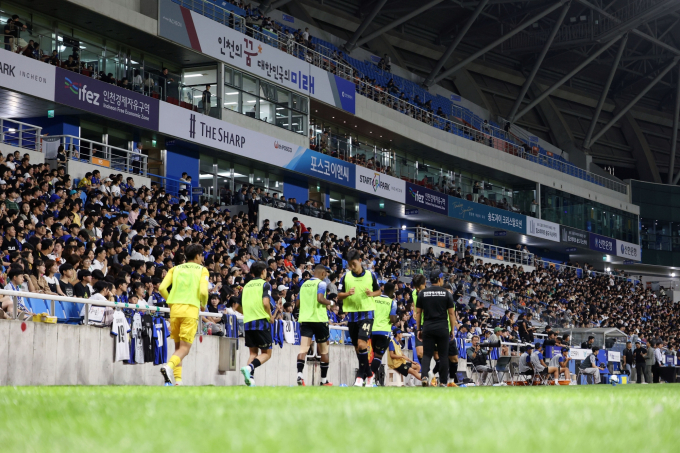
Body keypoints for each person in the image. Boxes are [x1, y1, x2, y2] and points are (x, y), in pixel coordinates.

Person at [158, 244, 209, 386]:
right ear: (198, 256)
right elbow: (204, 292)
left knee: (178, 348)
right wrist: (203, 304)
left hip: (175, 311)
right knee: (185, 349)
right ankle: (168, 367)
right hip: (190, 310)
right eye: (202, 255)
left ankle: (177, 382)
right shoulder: (202, 270)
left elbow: (162, 288)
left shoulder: (175, 269)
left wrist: (170, 301)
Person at [337, 249, 382, 387]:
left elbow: (379, 291)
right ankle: (369, 375)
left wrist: (372, 293)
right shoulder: (345, 277)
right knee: (357, 348)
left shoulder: (371, 275)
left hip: (367, 314)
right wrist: (347, 294)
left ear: (360, 261)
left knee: (363, 344)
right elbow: (339, 295)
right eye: (350, 265)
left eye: (354, 264)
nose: (352, 267)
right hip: (352, 316)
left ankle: (359, 377)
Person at [234, 261, 279, 387]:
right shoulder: (265, 285)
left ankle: (250, 379)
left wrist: (249, 312)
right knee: (266, 353)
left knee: (253, 353)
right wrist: (270, 316)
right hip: (261, 322)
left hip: (248, 322)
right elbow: (266, 303)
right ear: (263, 271)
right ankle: (249, 368)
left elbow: (236, 307)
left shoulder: (246, 286)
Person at [415, 273, 456, 387]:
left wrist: (419, 329)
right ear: (439, 279)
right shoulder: (447, 293)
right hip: (442, 327)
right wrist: (452, 330)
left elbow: (418, 312)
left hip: (428, 327)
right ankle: (443, 382)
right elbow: (451, 313)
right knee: (443, 355)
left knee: (427, 354)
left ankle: (424, 376)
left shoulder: (422, 293)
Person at [296, 264, 333, 386]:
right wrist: (331, 302)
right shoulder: (321, 284)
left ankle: (300, 375)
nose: (326, 276)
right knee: (324, 351)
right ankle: (323, 381)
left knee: (303, 349)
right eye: (326, 274)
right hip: (319, 320)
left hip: (306, 320)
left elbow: (297, 304)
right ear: (322, 273)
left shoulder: (304, 284)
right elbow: (320, 298)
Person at [369, 282, 398, 386]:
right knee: (378, 356)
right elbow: (392, 319)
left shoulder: (375, 299)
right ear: (391, 291)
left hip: (373, 330)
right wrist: (396, 318)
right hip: (384, 331)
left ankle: (372, 380)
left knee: (374, 355)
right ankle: (369, 378)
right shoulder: (392, 302)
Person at [410, 274, 427, 363]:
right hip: (419, 325)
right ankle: (426, 373)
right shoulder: (414, 292)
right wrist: (414, 311)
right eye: (416, 287)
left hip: (429, 324)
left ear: (425, 284)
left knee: (436, 354)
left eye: (419, 287)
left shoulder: (429, 294)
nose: (417, 289)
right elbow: (414, 302)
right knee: (420, 353)